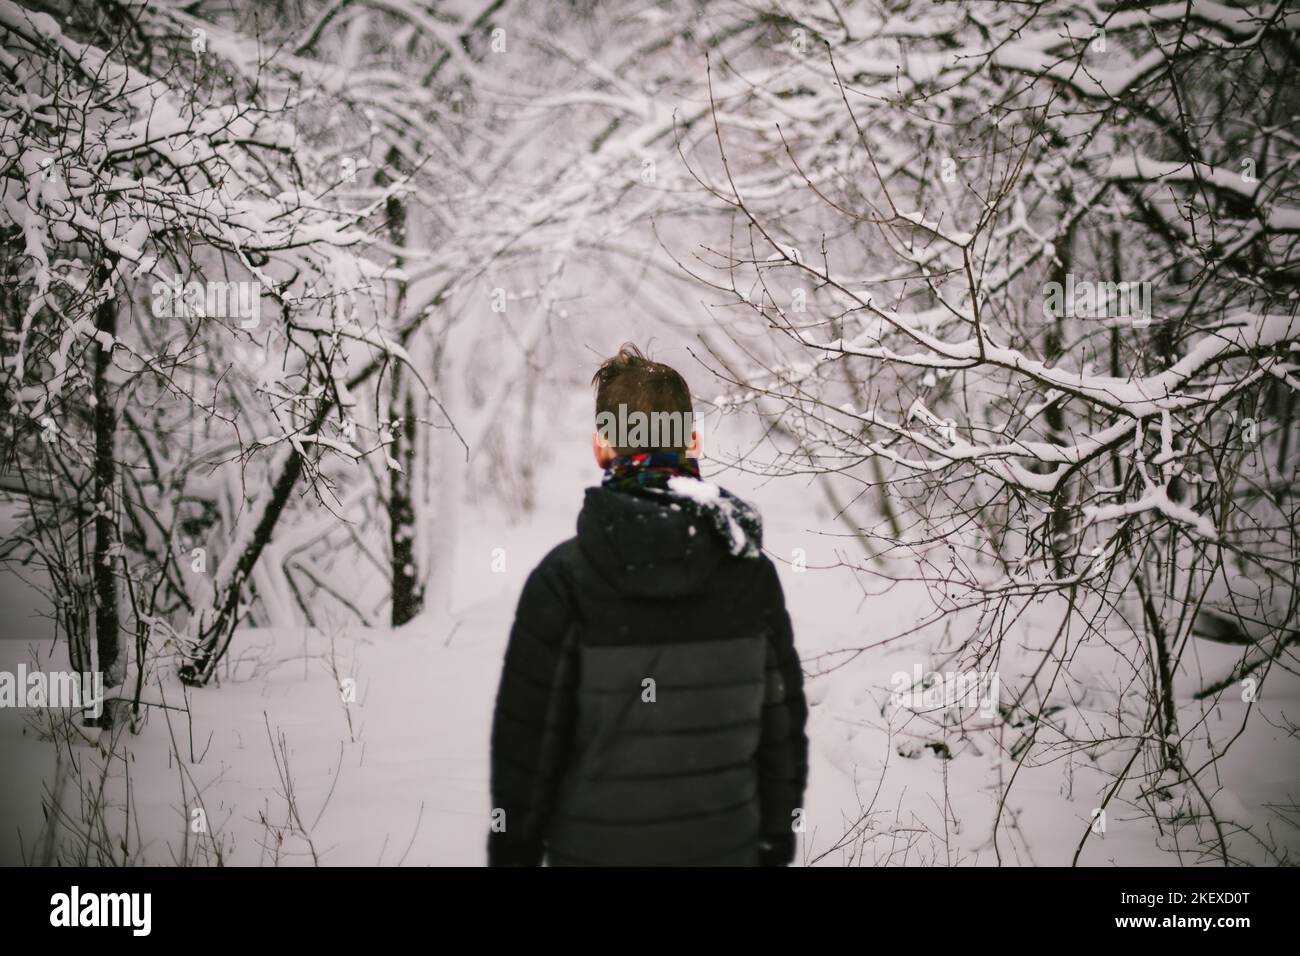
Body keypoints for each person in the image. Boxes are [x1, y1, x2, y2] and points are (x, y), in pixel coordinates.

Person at [487, 344, 808, 866]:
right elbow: (782, 737)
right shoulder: (750, 573)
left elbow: (524, 754)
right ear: (689, 443)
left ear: (602, 448)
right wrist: (773, 846)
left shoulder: (561, 581)